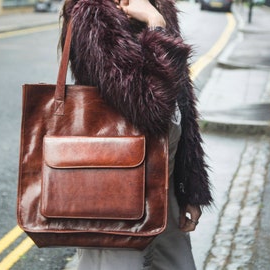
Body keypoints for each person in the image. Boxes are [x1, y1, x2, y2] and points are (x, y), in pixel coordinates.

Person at [60, 0, 213, 269]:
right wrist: (156, 27)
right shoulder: (94, 14)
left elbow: (182, 106)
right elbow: (150, 107)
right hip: (114, 190)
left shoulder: (157, 5)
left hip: (163, 186)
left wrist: (190, 188)